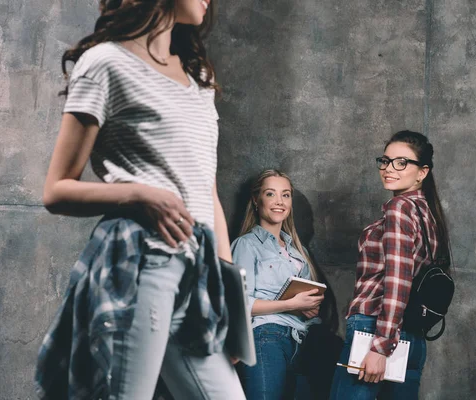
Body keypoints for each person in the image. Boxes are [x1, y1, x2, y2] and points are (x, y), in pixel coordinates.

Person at [34, 1, 245, 399]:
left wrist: (229, 291)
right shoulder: (105, 63)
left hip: (198, 271)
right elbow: (56, 189)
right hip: (143, 262)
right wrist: (138, 194)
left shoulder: (198, 76)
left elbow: (207, 190)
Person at [329, 130, 452, 400]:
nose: (389, 169)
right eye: (385, 161)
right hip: (411, 336)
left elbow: (398, 281)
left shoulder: (399, 209)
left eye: (401, 162)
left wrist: (380, 347)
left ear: (422, 172)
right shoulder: (428, 215)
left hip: (374, 332)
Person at [231, 169, 327, 400]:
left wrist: (306, 307)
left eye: (285, 195)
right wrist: (290, 303)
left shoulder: (298, 252)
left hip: (302, 342)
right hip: (266, 337)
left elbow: (302, 303)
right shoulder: (246, 245)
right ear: (256, 200)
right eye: (270, 194)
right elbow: (238, 303)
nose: (279, 202)